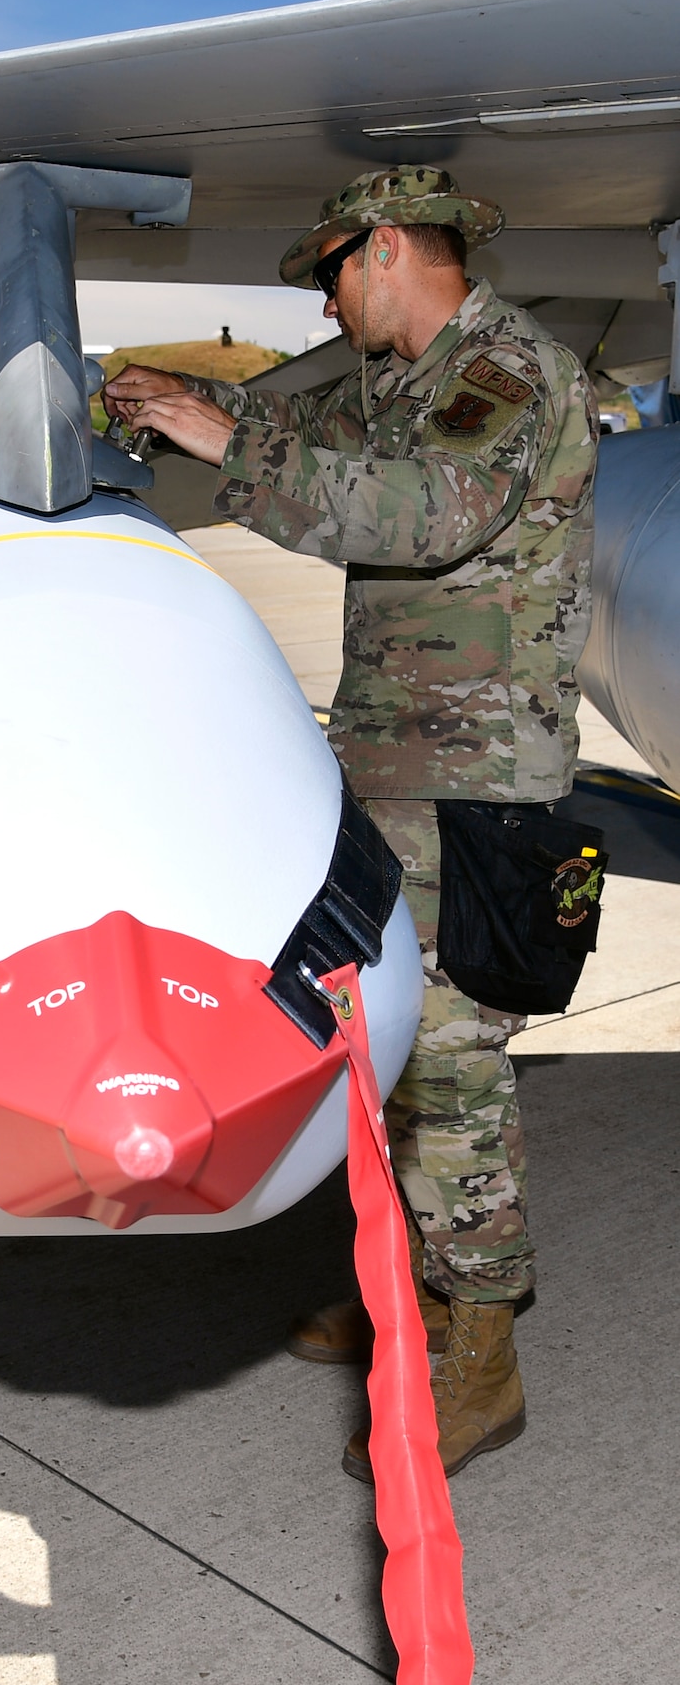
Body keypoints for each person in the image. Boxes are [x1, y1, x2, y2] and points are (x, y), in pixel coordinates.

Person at [104, 166, 597, 1479]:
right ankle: (413, 1298)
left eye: (330, 275)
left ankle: (479, 1351)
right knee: (373, 1051)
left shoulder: (506, 372)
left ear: (384, 249)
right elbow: (319, 446)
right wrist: (181, 418)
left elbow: (418, 517)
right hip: (393, 771)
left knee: (448, 1068)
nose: (326, 305)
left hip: (475, 784)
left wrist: (223, 438)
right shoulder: (402, 379)